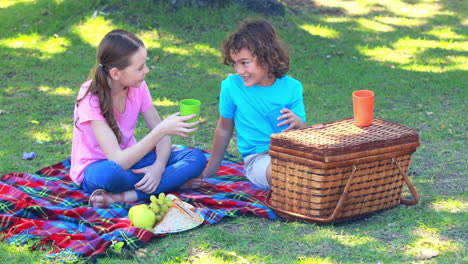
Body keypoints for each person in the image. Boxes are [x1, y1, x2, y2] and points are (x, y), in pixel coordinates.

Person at [70, 29, 207, 208]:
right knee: (110, 175)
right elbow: (117, 160)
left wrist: (158, 167)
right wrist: (161, 130)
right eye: (140, 68)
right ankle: (172, 181)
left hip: (134, 160)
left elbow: (162, 137)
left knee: (196, 157)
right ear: (116, 73)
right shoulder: (90, 97)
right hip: (99, 169)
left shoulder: (138, 86)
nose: (147, 71)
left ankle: (125, 195)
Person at [200, 19, 307, 190]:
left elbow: (304, 135)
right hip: (259, 159)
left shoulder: (293, 87)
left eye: (244, 63)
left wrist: (300, 125)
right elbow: (224, 128)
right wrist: (210, 170)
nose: (239, 70)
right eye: (235, 63)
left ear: (267, 57)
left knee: (319, 167)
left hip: (292, 154)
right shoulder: (232, 86)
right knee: (286, 173)